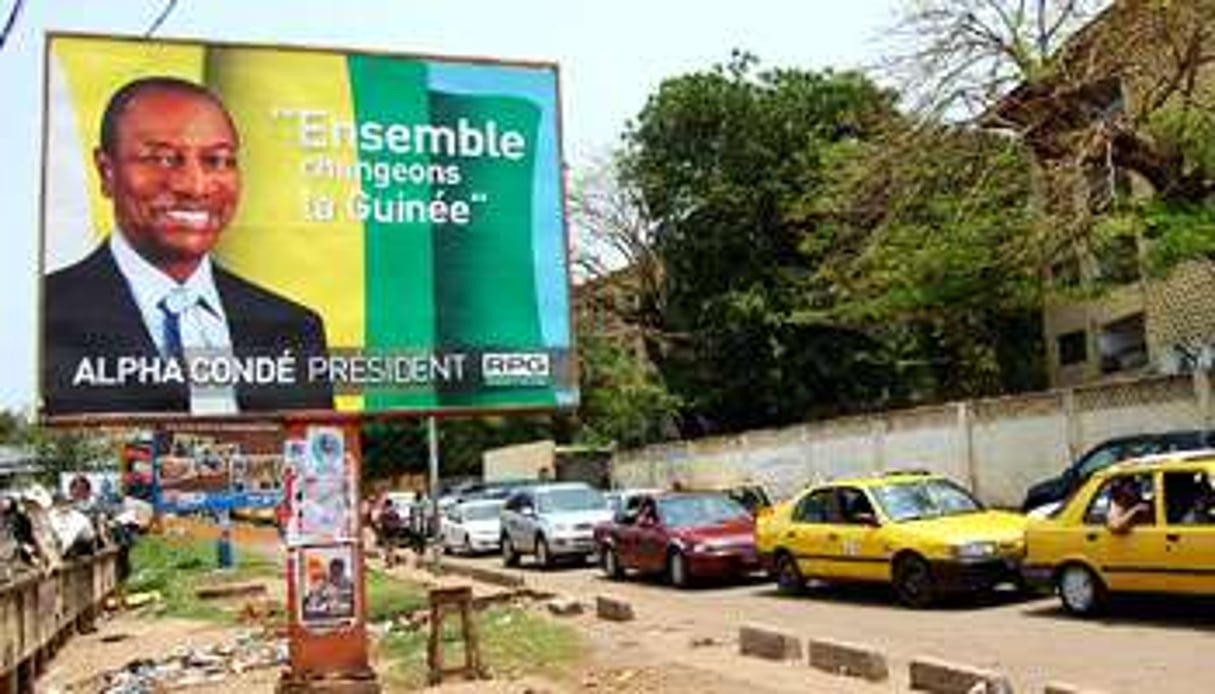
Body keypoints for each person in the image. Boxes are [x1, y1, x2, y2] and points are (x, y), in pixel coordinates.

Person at [43, 75, 332, 416]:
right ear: (107, 171)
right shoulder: (46, 311)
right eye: (162, 158)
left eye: (217, 160)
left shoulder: (293, 327)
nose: (194, 187)